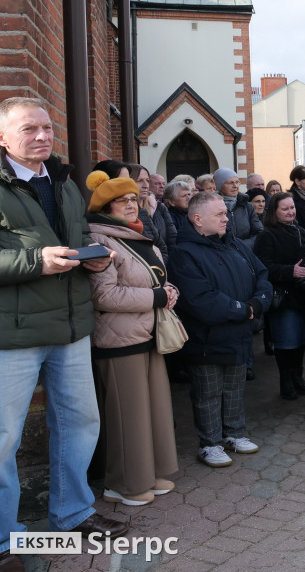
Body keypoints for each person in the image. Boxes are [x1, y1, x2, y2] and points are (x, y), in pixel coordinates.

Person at [0, 97, 127, 572]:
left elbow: (73, 242)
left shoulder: (64, 181)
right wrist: (37, 261)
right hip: (13, 333)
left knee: (78, 424)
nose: (42, 136)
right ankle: (5, 540)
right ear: (3, 138)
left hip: (71, 326)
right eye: (29, 129)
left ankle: (72, 515)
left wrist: (91, 257)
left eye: (47, 127)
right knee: (3, 438)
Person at [84, 171, 178, 507]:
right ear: (105, 206)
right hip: (119, 340)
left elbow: (154, 279)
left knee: (152, 410)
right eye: (122, 200)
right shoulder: (100, 240)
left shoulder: (133, 236)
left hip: (148, 333)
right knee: (129, 415)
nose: (131, 205)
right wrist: (157, 297)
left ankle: (149, 473)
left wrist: (169, 292)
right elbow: (105, 296)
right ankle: (122, 483)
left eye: (134, 199)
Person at [168, 191, 272, 466]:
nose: (227, 218)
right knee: (208, 393)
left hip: (239, 334)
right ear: (198, 219)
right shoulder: (183, 253)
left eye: (226, 213)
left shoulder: (235, 245)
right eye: (220, 214)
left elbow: (262, 276)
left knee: (234, 388)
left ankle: (234, 434)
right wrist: (242, 309)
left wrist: (257, 304)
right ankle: (210, 443)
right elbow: (199, 299)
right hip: (206, 339)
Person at [253, 192, 305, 400]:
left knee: (299, 341)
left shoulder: (299, 231)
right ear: (275, 212)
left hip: (302, 295)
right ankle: (286, 382)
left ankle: (298, 379)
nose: (291, 211)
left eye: (292, 207)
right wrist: (290, 271)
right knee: (286, 343)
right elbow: (263, 268)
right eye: (285, 208)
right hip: (283, 297)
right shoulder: (267, 235)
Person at [214, 168, 263, 247]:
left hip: (246, 253)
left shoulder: (248, 206)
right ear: (220, 185)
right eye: (230, 183)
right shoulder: (212, 207)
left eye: (237, 182)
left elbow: (259, 233)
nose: (235, 186)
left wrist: (243, 245)